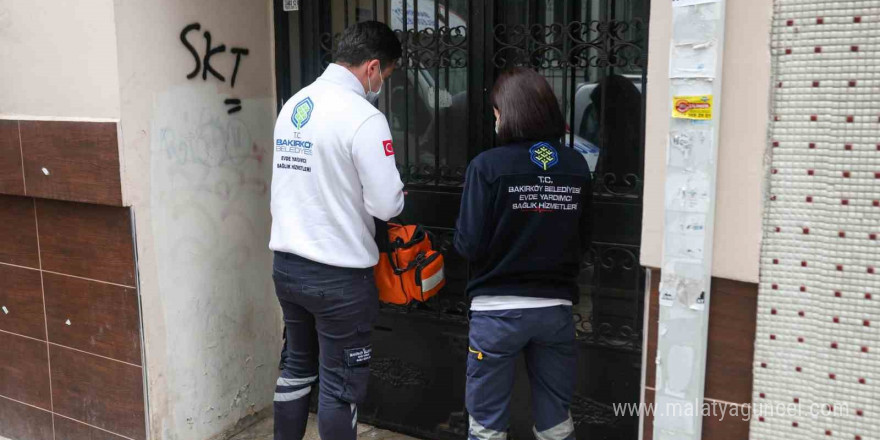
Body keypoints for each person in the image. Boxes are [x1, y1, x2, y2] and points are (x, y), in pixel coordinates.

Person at [269, 21, 404, 440]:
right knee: (339, 389)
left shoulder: (294, 104)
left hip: (288, 269)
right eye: (387, 76)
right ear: (373, 68)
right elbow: (387, 204)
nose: (383, 84)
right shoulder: (364, 117)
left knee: (296, 368)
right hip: (340, 279)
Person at [455, 67, 592, 440]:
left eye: (496, 111)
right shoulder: (575, 165)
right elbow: (584, 239)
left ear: (508, 113)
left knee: (486, 424)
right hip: (556, 311)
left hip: (497, 314)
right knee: (556, 420)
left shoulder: (487, 166)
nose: (494, 119)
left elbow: (468, 243)